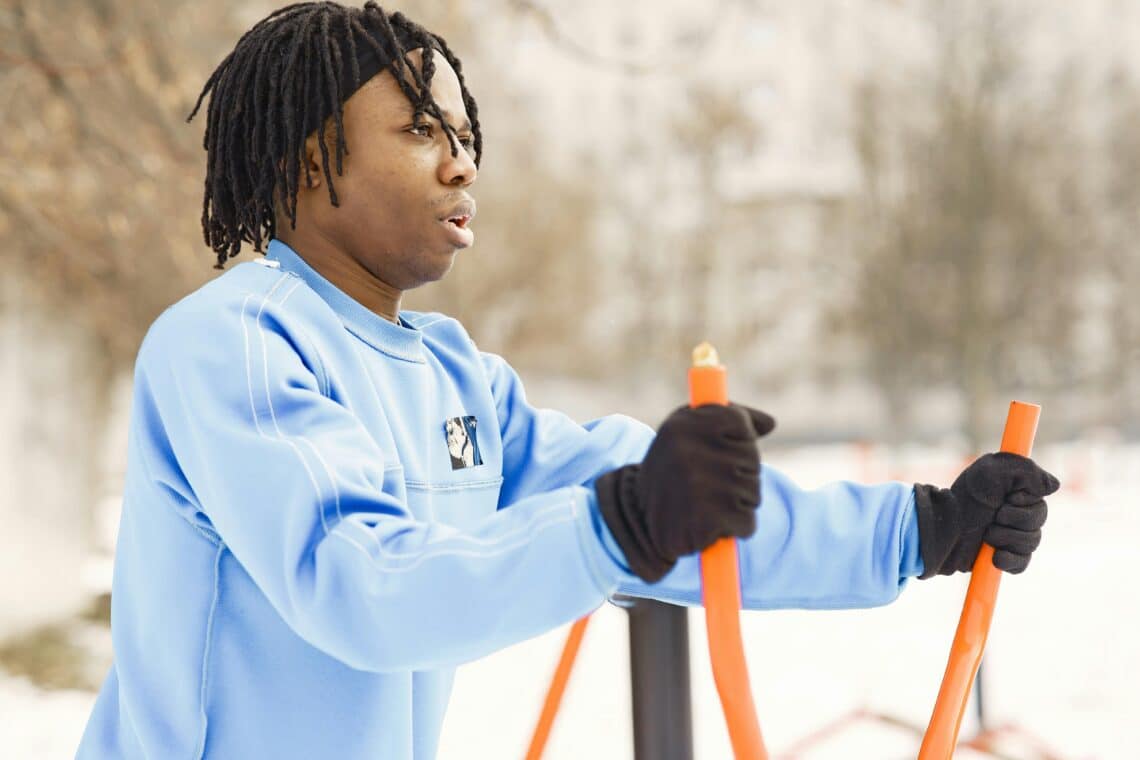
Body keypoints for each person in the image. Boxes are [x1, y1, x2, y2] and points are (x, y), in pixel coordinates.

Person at [76, 3, 1060, 758]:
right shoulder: (234, 343)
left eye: (463, 135)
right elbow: (358, 582)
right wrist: (620, 520)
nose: (461, 164)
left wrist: (921, 526)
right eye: (420, 131)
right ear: (305, 161)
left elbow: (674, 521)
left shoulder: (454, 375)